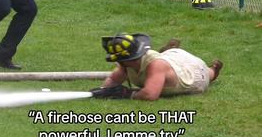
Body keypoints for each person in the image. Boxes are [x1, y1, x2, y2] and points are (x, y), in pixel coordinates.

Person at [91, 33, 223, 101]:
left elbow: (150, 95)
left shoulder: (155, 65)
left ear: (129, 59)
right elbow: (113, 80)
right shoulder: (125, 65)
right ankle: (167, 50)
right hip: (170, 59)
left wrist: (126, 94)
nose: (119, 63)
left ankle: (214, 70)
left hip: (193, 73)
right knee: (166, 58)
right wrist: (103, 90)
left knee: (206, 73)